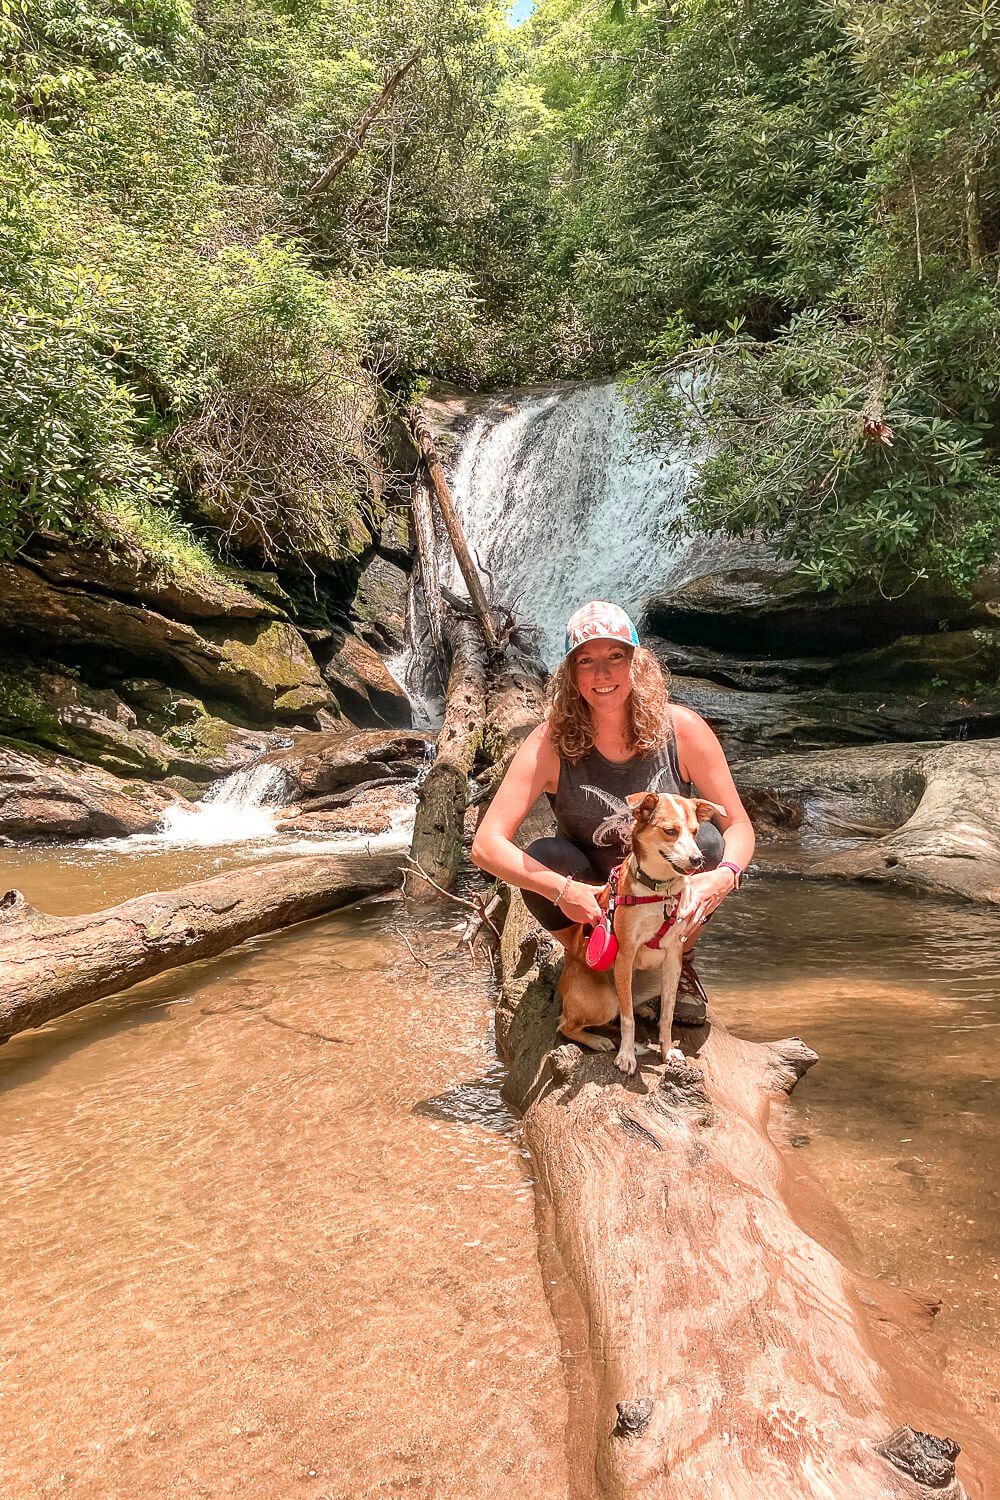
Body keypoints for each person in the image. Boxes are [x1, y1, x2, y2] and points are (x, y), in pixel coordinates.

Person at [471, 600, 755, 1024]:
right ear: (571, 674)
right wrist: (562, 891)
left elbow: (740, 827)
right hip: (593, 899)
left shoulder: (683, 730)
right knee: (548, 856)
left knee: (709, 844)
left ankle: (678, 962)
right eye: (586, 661)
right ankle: (587, 961)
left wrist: (724, 876)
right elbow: (485, 846)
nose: (602, 674)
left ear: (636, 665)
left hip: (665, 896)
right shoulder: (549, 742)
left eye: (615, 657)